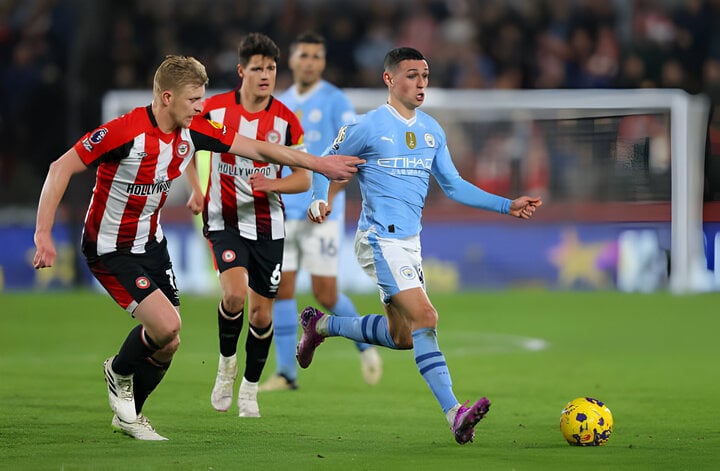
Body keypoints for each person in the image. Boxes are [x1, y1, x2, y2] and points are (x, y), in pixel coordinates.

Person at [32, 54, 362, 441]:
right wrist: (43, 234)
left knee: (170, 343)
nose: (201, 107)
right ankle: (119, 371)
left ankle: (130, 414)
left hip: (151, 243)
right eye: (193, 100)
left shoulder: (195, 129)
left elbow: (259, 150)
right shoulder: (125, 131)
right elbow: (60, 167)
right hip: (110, 246)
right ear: (167, 97)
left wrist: (318, 164)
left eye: (202, 99)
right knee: (167, 324)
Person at [296, 47, 542, 445]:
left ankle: (321, 326)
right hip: (379, 239)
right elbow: (324, 161)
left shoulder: (432, 130)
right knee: (426, 317)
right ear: (389, 80)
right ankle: (454, 414)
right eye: (411, 74)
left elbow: (454, 185)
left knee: (403, 337)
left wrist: (506, 204)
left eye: (425, 74)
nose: (421, 82)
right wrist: (317, 199)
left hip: (410, 244)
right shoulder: (369, 126)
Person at [184, 33, 307, 417]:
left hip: (270, 227)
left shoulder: (286, 120)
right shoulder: (215, 110)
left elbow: (303, 178)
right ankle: (225, 368)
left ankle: (250, 389)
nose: (266, 74)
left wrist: (275, 182)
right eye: (258, 68)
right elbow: (184, 145)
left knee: (261, 315)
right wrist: (195, 190)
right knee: (234, 296)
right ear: (242, 71)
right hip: (224, 220)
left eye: (271, 68)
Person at [259, 32, 382, 392]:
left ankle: (365, 346)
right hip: (285, 208)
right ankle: (286, 373)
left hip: (322, 210)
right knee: (281, 289)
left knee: (325, 294)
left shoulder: (335, 101)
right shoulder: (278, 102)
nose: (310, 61)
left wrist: (325, 197)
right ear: (292, 60)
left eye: (316, 56)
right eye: (304, 55)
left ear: (323, 62)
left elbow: (351, 156)